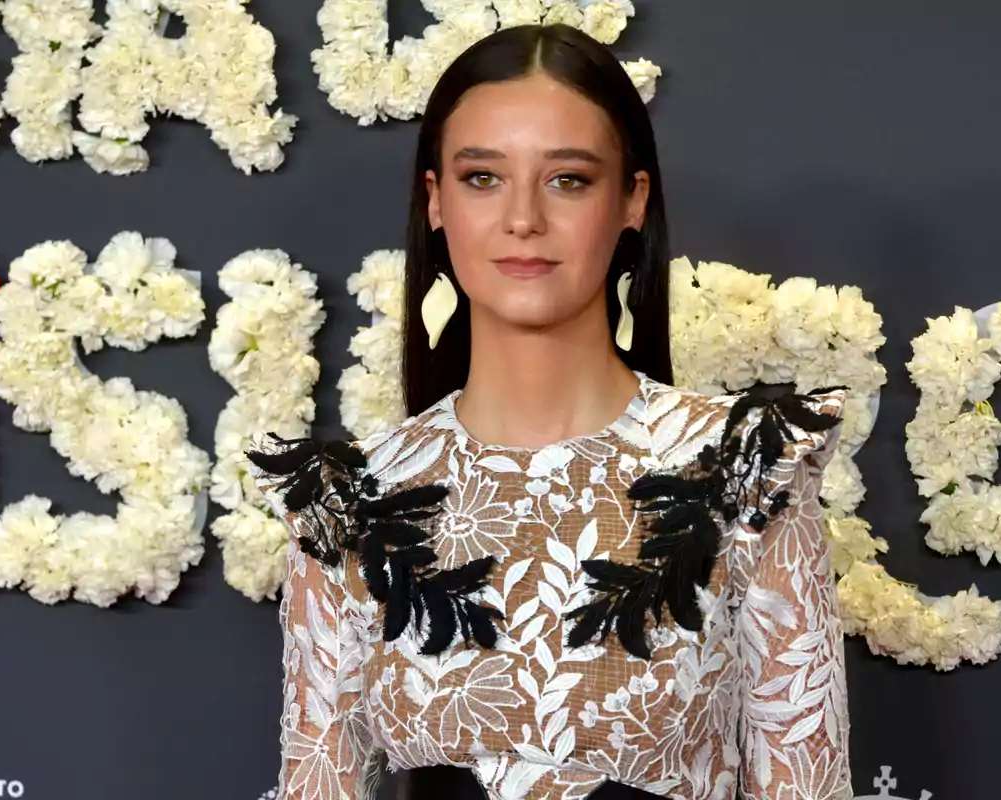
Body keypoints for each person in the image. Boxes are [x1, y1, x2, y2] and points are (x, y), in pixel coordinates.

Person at [248, 23, 851, 800]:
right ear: (436, 202)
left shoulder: (743, 473)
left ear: (632, 200)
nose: (523, 218)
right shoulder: (352, 500)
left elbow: (806, 783)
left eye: (567, 179)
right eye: (482, 178)